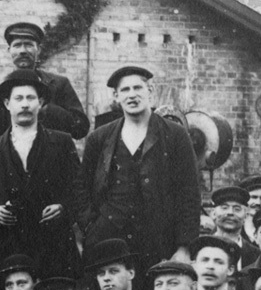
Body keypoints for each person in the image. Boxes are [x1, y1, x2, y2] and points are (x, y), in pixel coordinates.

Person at [79, 65, 201, 271]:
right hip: (107, 239)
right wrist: (91, 227)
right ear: (117, 96)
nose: (132, 95)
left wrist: (184, 247)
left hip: (157, 243)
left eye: (138, 88)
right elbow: (81, 188)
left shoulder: (175, 135)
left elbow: (189, 193)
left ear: (150, 92)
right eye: (125, 90)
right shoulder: (99, 138)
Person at [0, 67, 84, 282]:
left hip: (54, 249)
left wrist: (63, 208)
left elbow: (79, 191)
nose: (24, 104)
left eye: (31, 98)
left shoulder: (61, 142)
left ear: (40, 103)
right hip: (8, 249)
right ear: (6, 104)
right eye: (18, 98)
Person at [0, 21, 89, 140]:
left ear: (38, 50)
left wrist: (47, 110)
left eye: (29, 45)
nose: (23, 51)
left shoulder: (58, 84)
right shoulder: (1, 90)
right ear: (9, 50)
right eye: (17, 45)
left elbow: (81, 128)